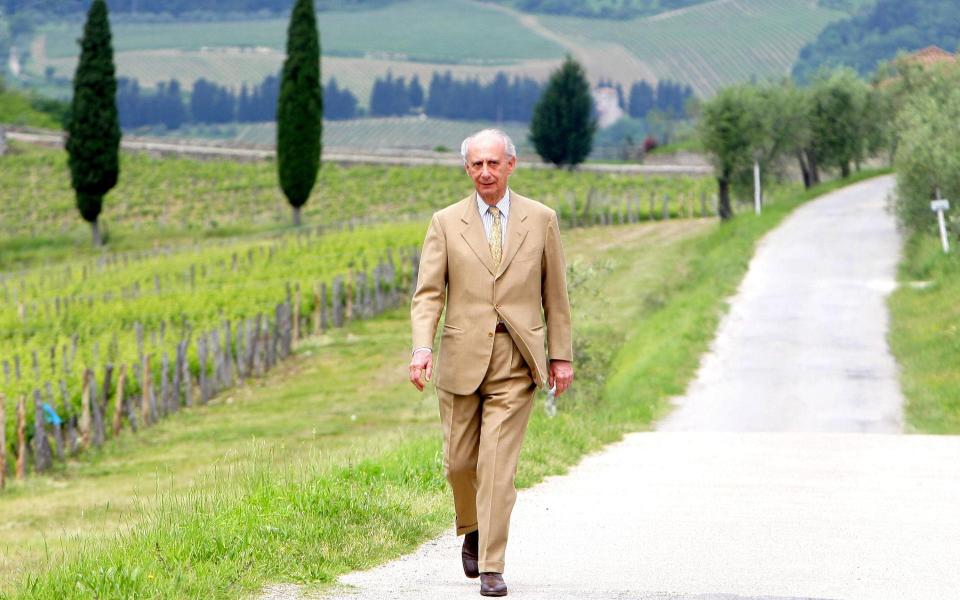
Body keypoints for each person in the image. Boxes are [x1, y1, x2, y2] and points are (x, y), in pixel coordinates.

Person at [409, 128, 574, 597]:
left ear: (511, 165)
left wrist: (560, 356)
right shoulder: (445, 222)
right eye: (477, 164)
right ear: (467, 169)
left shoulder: (541, 219)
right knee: (460, 463)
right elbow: (427, 296)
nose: (485, 171)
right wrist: (422, 347)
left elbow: (555, 296)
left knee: (498, 465)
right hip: (461, 357)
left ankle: (491, 565)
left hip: (516, 358)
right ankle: (474, 528)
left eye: (493, 163)